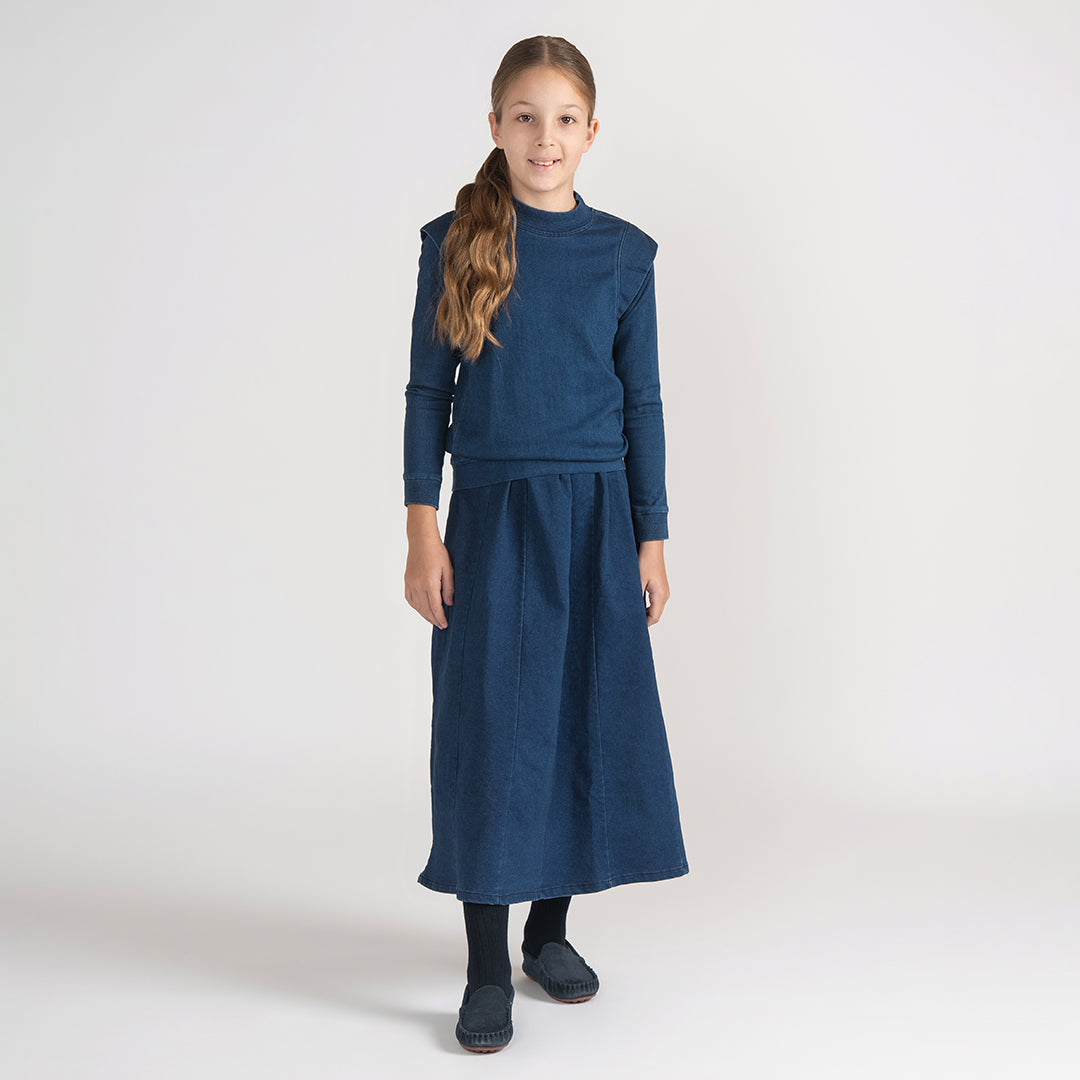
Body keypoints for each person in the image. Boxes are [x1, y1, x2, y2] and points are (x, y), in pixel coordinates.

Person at [402, 34, 689, 1053]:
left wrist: (652, 536)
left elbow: (643, 403)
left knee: (578, 721)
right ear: (495, 126)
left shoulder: (624, 255)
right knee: (489, 731)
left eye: (564, 119)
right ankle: (486, 964)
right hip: (491, 519)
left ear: (592, 132)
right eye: (524, 116)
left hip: (598, 519)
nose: (544, 137)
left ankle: (548, 934)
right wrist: (421, 528)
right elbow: (427, 396)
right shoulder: (455, 241)